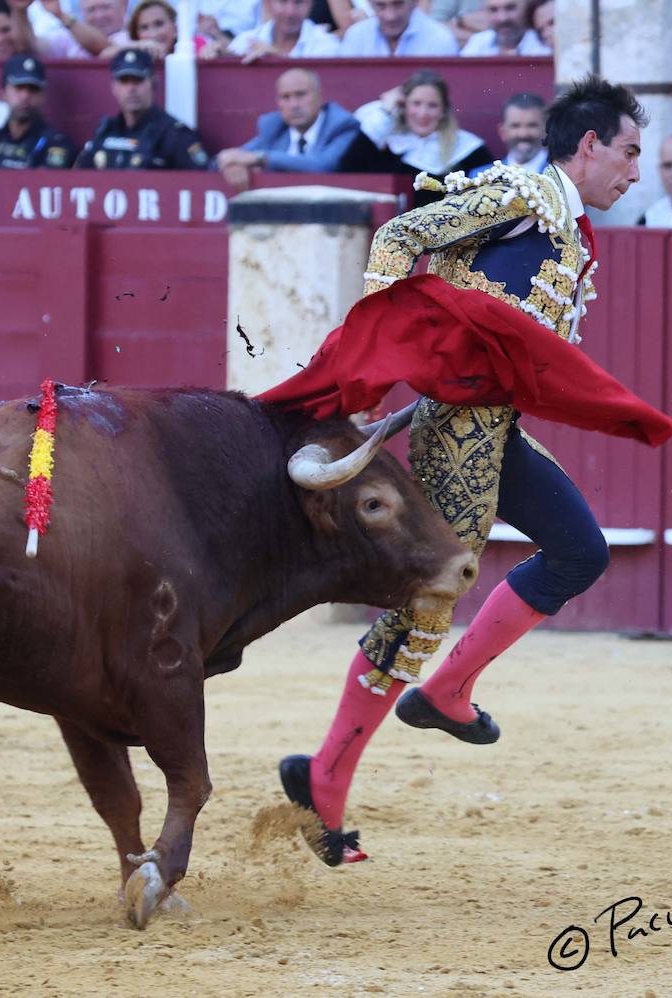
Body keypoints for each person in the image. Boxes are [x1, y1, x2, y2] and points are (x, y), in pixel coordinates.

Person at [270, 76, 649, 867]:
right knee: (426, 603)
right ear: (589, 145)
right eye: (629, 151)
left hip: (492, 423)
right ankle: (325, 782)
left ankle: (444, 693)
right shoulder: (522, 191)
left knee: (579, 551)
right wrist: (388, 348)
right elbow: (400, 239)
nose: (635, 171)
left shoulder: (563, 220)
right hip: (458, 425)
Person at [353, 70, 491, 200]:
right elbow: (351, 169)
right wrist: (386, 111)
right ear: (404, 106)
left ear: (443, 110)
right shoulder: (389, 147)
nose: (423, 113)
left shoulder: (468, 149)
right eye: (416, 103)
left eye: (432, 105)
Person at [216, 68, 361, 191]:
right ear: (278, 103)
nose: (293, 105)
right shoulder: (275, 128)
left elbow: (322, 166)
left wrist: (259, 158)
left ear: (320, 97)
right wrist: (232, 165)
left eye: (300, 95)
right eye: (285, 97)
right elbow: (226, 159)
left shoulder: (343, 126)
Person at [75, 47, 209, 170]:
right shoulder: (105, 132)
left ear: (153, 83)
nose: (131, 89)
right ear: (114, 87)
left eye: (138, 80)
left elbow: (200, 183)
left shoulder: (174, 135)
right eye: (124, 81)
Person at [0, 54, 73, 169]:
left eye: (33, 89)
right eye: (18, 88)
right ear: (2, 94)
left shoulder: (56, 145)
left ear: (42, 96)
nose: (25, 96)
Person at [227, 0, 343, 61]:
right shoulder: (244, 40)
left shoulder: (328, 45)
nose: (290, 12)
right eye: (282, 1)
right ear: (268, 3)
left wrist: (279, 60)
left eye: (298, 2)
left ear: (310, 4)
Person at [338, 0, 458, 57]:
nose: (390, 16)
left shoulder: (440, 39)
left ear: (415, 2)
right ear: (370, 3)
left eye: (398, 4)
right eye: (381, 6)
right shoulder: (356, 35)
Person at [485, 91, 547, 174]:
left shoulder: (562, 175)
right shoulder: (480, 177)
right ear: (502, 132)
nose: (523, 134)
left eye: (532, 125)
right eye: (515, 126)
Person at [460, 0, 547, 56]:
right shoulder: (478, 41)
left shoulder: (543, 43)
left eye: (510, 8)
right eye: (493, 10)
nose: (502, 18)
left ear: (525, 9)